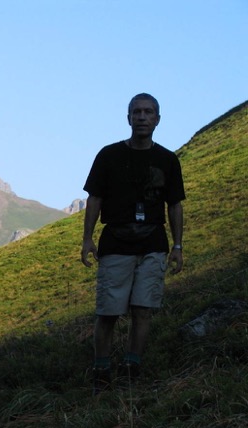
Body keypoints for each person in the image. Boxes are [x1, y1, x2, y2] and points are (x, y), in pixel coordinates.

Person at [81, 93, 185, 395]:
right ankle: (101, 370)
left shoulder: (168, 160)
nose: (142, 117)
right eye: (136, 112)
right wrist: (87, 239)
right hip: (116, 242)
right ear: (128, 118)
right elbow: (95, 198)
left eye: (148, 112)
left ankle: (131, 367)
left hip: (154, 242)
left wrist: (178, 246)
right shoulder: (108, 156)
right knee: (108, 311)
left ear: (157, 119)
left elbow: (174, 205)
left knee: (143, 309)